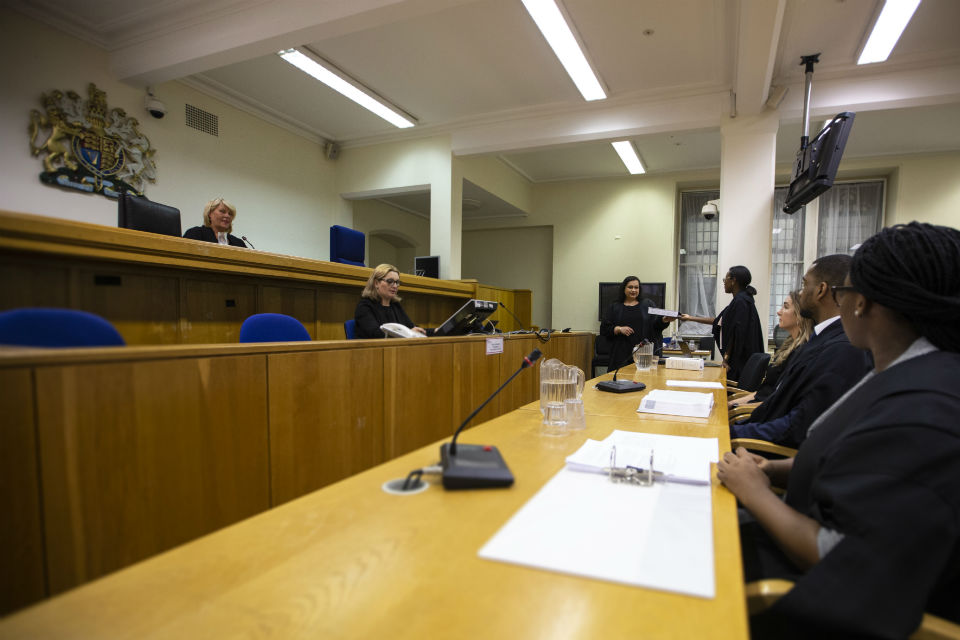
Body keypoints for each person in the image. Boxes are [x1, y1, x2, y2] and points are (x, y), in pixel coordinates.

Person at [717, 221, 960, 639]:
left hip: (801, 597)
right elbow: (860, 462)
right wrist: (775, 471)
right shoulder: (907, 369)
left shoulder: (924, 408)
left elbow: (845, 556)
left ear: (861, 302)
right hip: (791, 523)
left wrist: (754, 492)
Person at [730, 255, 871, 448]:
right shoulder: (821, 339)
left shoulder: (841, 348)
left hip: (762, 448)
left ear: (821, 290)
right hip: (755, 431)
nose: (802, 293)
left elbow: (798, 426)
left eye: (805, 285)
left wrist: (731, 433)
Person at [729, 290, 812, 408]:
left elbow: (777, 404)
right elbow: (763, 393)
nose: (779, 312)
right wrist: (731, 403)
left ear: (800, 315)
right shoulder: (788, 346)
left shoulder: (800, 353)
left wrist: (736, 407)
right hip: (755, 408)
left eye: (786, 307)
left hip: (760, 414)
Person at [680, 265, 764, 380]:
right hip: (742, 361)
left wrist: (726, 359)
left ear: (733, 281)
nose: (724, 283)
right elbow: (719, 322)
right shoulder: (742, 300)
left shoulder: (740, 302)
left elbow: (735, 334)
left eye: (725, 279)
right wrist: (690, 318)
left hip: (740, 364)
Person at [599, 276, 673, 370]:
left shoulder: (648, 304)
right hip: (621, 355)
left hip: (644, 354)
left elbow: (657, 325)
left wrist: (664, 320)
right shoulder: (614, 307)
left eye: (636, 287)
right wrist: (619, 329)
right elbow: (604, 329)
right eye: (630, 287)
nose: (633, 290)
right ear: (624, 289)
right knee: (620, 382)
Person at [354, 264, 427, 339]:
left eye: (397, 282)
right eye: (390, 281)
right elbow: (376, 334)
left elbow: (411, 328)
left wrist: (435, 331)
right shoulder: (365, 306)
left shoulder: (395, 305)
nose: (395, 286)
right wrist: (407, 333)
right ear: (376, 283)